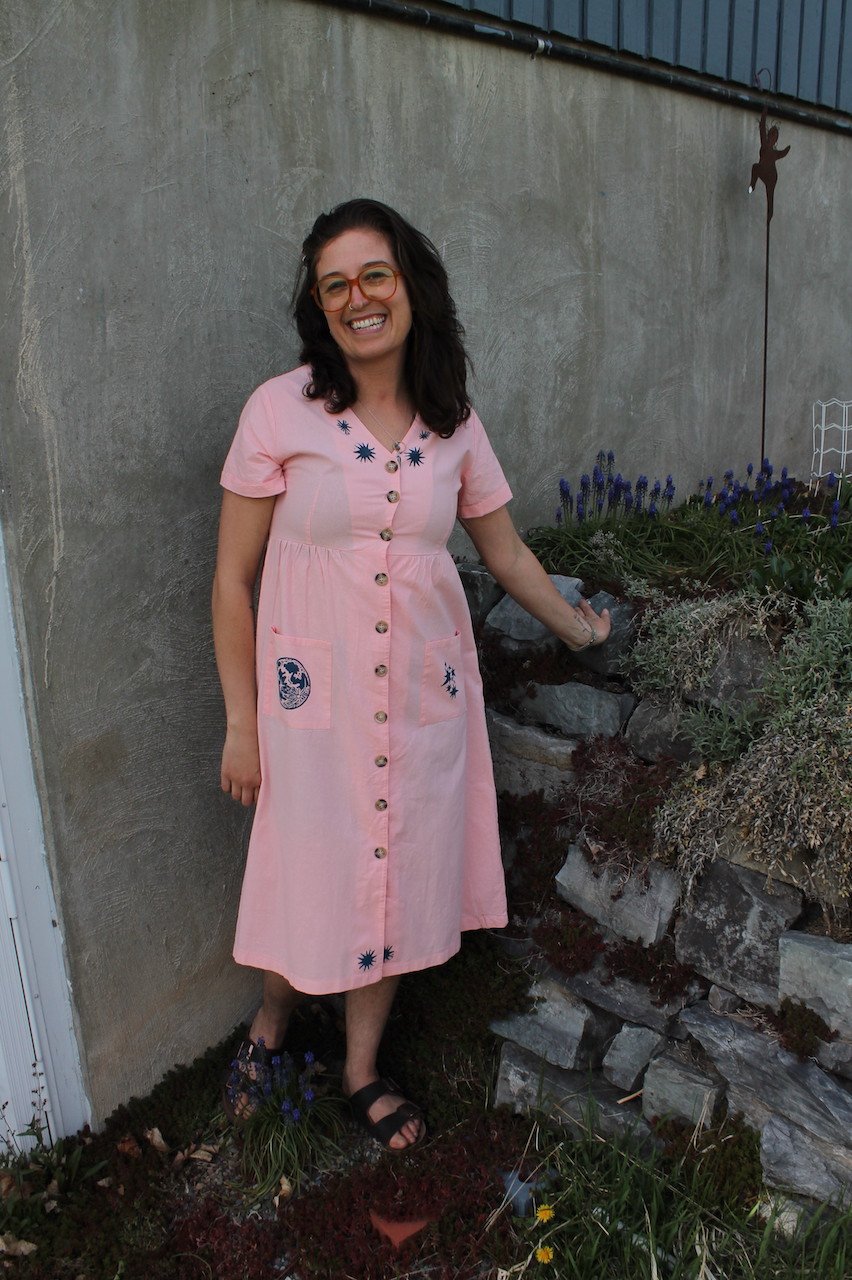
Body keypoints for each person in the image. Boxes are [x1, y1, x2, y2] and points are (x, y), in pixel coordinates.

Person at [212, 198, 610, 1151]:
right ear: (320, 304)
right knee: (307, 865)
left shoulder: (453, 423)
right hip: (311, 697)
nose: (358, 298)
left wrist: (580, 631)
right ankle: (272, 1020)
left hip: (420, 698)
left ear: (410, 285)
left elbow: (506, 554)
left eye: (374, 275)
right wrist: (240, 720)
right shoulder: (281, 409)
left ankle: (357, 1069)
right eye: (335, 284)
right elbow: (231, 575)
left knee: (389, 871)